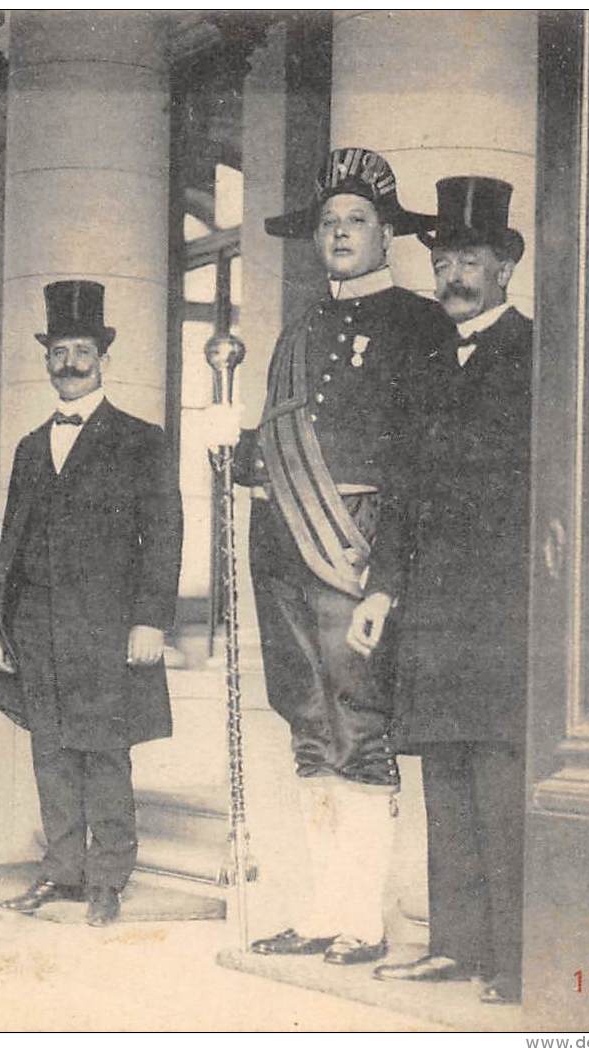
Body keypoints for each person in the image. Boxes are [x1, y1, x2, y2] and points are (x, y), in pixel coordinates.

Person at [209, 147, 454, 965]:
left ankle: (362, 919)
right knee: (307, 728)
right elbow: (281, 445)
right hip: (281, 544)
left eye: (356, 222)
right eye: (328, 223)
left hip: (351, 545)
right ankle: (320, 912)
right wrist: (234, 451)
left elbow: (419, 464)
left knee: (358, 727)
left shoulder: (418, 324)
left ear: (388, 235)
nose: (339, 234)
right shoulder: (303, 327)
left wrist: (388, 575)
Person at [350, 176, 533, 1006]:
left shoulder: (538, 355)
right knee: (445, 781)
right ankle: (457, 948)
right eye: (445, 259)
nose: (454, 274)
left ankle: (515, 958)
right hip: (428, 611)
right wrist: (381, 590)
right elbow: (398, 488)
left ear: (504, 268)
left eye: (470, 259)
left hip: (501, 608)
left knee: (499, 780)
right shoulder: (424, 363)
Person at [0, 280, 182, 927]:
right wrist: (0, 626)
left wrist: (151, 618)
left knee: (103, 751)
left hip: (107, 628)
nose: (68, 362)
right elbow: (10, 542)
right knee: (50, 752)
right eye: (58, 350)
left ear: (103, 357)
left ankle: (108, 878)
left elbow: (163, 533)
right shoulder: (28, 446)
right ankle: (63, 871)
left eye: (80, 350)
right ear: (46, 358)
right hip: (37, 628)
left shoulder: (141, 439)